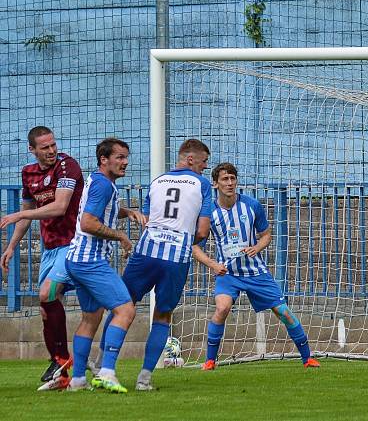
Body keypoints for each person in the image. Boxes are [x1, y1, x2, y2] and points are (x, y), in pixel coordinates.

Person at [195, 163, 320, 370]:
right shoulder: (209, 212)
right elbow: (194, 246)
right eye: (225, 179)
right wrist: (213, 264)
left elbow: (267, 235)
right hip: (228, 273)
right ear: (215, 183)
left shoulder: (251, 205)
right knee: (222, 308)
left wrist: (257, 247)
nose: (230, 183)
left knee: (284, 312)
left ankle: (307, 358)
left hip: (255, 271)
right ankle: (210, 361)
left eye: (233, 178)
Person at [114, 138, 215, 391]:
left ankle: (105, 368)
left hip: (146, 251)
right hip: (175, 257)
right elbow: (202, 231)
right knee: (162, 315)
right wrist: (179, 238)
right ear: (190, 159)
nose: (205, 168)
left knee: (122, 307)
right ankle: (144, 378)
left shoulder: (157, 181)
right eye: (204, 162)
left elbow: (147, 220)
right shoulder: (201, 184)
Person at [0, 126, 84, 389]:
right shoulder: (28, 173)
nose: (51, 151)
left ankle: (63, 359)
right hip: (50, 248)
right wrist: (12, 245)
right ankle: (61, 370)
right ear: (32, 149)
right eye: (45, 147)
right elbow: (27, 209)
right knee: (46, 308)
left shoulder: (67, 166)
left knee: (47, 293)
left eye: (53, 145)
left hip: (74, 244)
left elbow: (59, 207)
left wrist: (20, 215)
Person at [65, 138, 146, 393]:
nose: (125, 162)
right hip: (90, 261)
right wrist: (121, 236)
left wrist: (127, 211)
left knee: (90, 318)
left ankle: (77, 379)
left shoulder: (100, 182)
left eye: (125, 157)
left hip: (77, 259)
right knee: (125, 311)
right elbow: (88, 223)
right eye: (120, 157)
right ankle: (107, 372)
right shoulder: (103, 185)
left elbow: (103, 208)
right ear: (104, 160)